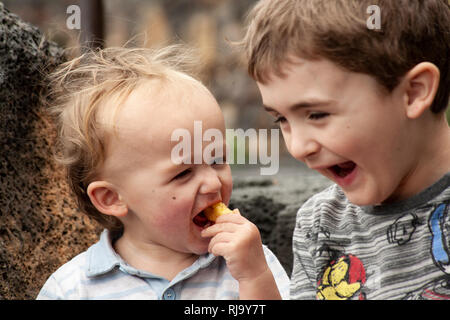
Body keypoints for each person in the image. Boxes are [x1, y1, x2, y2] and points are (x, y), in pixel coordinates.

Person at [36, 45, 289, 300]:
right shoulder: (73, 288)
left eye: (217, 160)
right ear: (111, 198)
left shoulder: (250, 264)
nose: (213, 183)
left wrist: (254, 278)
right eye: (183, 174)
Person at [241, 0, 450, 299]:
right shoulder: (319, 225)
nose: (298, 148)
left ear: (413, 92)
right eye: (281, 119)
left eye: (317, 114)